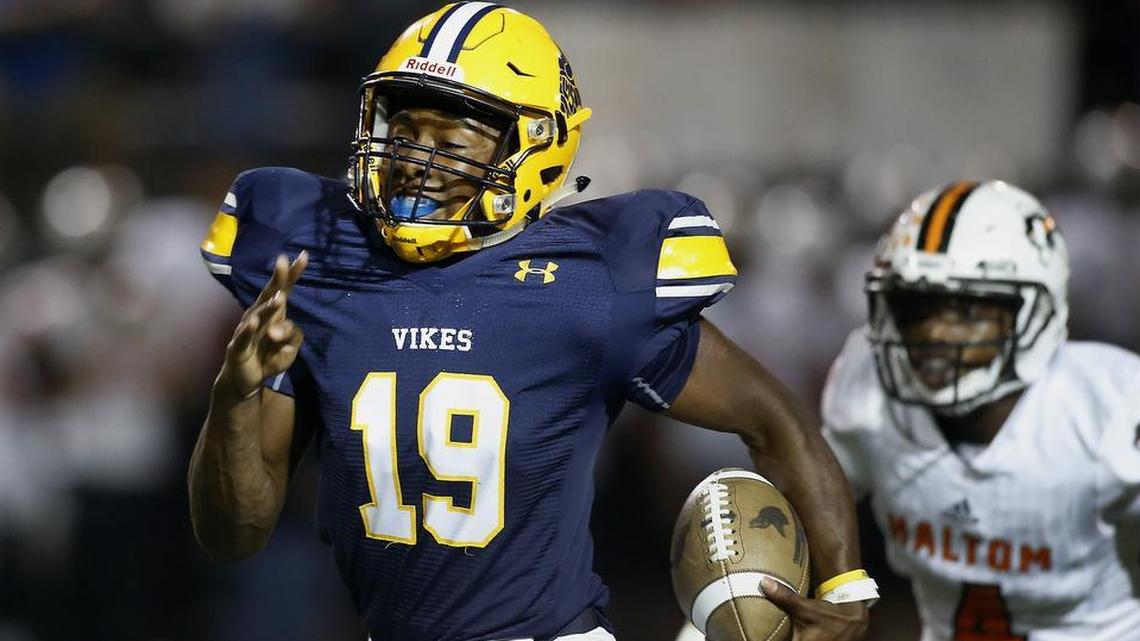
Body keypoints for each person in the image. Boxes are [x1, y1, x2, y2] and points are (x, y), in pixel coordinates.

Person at [188, 3, 877, 640]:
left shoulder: (587, 280)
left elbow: (772, 415)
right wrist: (234, 393)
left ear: (532, 149)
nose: (416, 161)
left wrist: (847, 584)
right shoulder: (321, 264)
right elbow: (232, 534)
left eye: (450, 137)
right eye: (404, 130)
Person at [822, 180, 1140, 640]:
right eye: (917, 309)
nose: (934, 334)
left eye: (967, 311)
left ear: (1035, 314)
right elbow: (806, 506)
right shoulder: (868, 390)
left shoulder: (1108, 407)